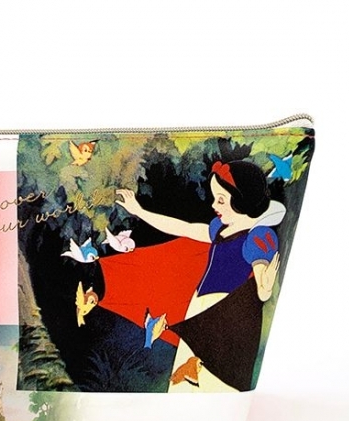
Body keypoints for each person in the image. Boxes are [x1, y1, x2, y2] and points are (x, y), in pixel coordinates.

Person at [115, 160, 283, 392]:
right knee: (184, 375)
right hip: (198, 308)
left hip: (225, 313)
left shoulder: (257, 237)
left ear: (241, 200)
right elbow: (183, 228)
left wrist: (266, 285)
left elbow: (262, 292)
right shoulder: (220, 228)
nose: (214, 205)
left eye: (221, 200)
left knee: (213, 378)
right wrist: (140, 212)